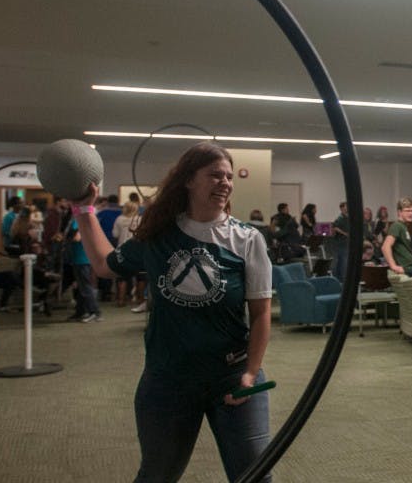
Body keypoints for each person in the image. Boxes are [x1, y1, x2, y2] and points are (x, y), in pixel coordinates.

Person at [71, 142, 273, 482]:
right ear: (188, 182)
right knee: (157, 475)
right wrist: (83, 211)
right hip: (168, 379)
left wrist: (251, 372)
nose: (225, 182)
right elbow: (106, 266)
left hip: (232, 377)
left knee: (255, 476)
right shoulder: (158, 236)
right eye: (214, 175)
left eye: (228, 176)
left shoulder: (248, 239)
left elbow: (261, 313)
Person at [112, 201, 143, 307]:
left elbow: (115, 234)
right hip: (138, 250)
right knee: (141, 276)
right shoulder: (140, 219)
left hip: (122, 250)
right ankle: (140, 300)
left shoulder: (119, 219)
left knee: (122, 276)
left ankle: (121, 300)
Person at [331, 202, 350, 282]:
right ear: (342, 208)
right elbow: (334, 227)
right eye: (346, 207)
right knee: (342, 262)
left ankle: (341, 279)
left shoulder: (347, 217)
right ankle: (341, 280)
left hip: (346, 243)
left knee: (342, 262)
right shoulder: (340, 218)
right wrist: (344, 233)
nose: (348, 208)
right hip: (341, 243)